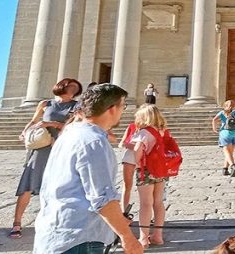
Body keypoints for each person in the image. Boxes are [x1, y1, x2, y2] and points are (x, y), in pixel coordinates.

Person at [33, 83, 143, 254]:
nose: (123, 111)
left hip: (56, 231)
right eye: (123, 106)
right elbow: (102, 198)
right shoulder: (94, 142)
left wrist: (117, 220)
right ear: (112, 109)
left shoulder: (70, 134)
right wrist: (128, 238)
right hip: (80, 238)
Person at [9, 78, 82, 240]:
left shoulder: (76, 107)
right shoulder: (45, 104)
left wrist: (53, 124)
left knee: (60, 186)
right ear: (61, 87)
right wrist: (24, 132)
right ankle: (17, 222)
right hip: (42, 147)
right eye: (70, 87)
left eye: (75, 89)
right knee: (28, 183)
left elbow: (74, 127)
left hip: (61, 147)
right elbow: (34, 121)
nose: (73, 91)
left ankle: (56, 223)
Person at [132, 104, 170, 247]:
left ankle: (143, 238)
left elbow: (137, 152)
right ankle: (158, 236)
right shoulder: (162, 131)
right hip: (161, 170)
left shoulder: (143, 133)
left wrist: (135, 163)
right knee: (158, 202)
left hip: (146, 170)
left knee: (145, 204)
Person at [211, 100, 235, 177]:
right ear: (234, 105)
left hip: (225, 132)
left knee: (226, 151)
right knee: (230, 152)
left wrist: (214, 128)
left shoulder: (222, 112)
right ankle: (225, 169)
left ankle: (233, 166)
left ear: (225, 105)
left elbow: (214, 119)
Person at [119, 115, 139, 211]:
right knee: (127, 185)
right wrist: (138, 147)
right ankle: (124, 210)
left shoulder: (151, 128)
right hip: (130, 158)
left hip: (146, 159)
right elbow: (122, 143)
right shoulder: (132, 127)